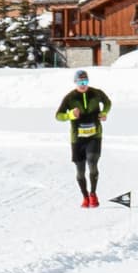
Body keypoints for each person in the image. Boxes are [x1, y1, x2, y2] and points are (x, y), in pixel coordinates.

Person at [56, 69, 113, 205]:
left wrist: (104, 112)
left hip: (94, 136)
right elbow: (58, 115)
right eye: (80, 81)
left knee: (93, 163)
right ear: (75, 82)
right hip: (77, 139)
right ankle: (85, 197)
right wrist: (70, 115)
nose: (83, 84)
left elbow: (108, 102)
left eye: (85, 81)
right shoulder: (70, 97)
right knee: (80, 171)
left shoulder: (96, 93)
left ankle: (93, 194)